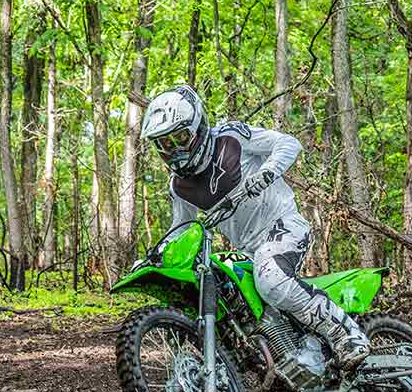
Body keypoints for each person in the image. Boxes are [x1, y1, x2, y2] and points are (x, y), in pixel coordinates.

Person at [140, 83, 371, 370]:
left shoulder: (230, 137)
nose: (174, 149)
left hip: (283, 225)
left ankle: (346, 333)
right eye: (165, 143)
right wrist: (155, 255)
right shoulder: (179, 186)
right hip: (248, 250)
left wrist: (265, 173)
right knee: (234, 304)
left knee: (271, 279)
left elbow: (288, 143)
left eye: (181, 137)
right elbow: (182, 228)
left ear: (198, 127)